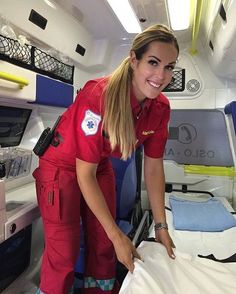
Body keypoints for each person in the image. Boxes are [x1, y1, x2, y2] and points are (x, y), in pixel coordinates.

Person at [33, 23, 179, 294]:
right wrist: (118, 236)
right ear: (134, 60)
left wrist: (160, 226)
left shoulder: (160, 107)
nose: (161, 75)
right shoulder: (98, 96)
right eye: (153, 63)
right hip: (61, 168)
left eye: (169, 67)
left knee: (104, 246)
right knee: (64, 250)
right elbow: (82, 173)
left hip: (97, 166)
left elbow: (154, 167)